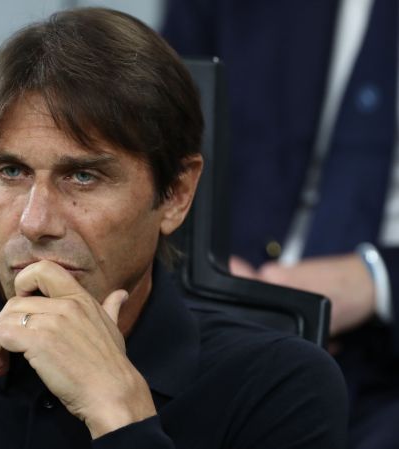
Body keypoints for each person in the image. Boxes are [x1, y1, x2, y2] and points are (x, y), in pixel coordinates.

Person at [0, 7, 347, 448]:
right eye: (11, 171)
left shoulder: (277, 387)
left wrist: (120, 414)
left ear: (176, 193)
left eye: (84, 177)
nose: (35, 222)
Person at [161, 0, 399, 447]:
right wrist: (204, 255)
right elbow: (159, 128)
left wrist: (378, 279)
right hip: (225, 309)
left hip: (384, 356)